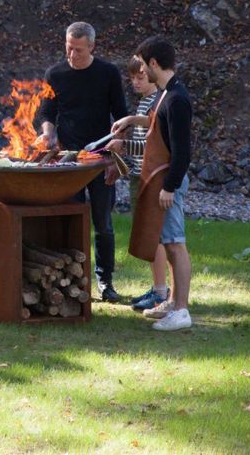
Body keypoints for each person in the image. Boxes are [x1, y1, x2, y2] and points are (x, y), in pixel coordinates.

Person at [36, 21, 128, 302]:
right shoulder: (55, 74)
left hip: (99, 158)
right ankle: (73, 280)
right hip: (68, 160)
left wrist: (114, 157)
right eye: (68, 47)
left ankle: (105, 281)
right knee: (70, 220)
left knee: (103, 223)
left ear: (91, 46)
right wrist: (47, 130)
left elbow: (121, 117)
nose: (71, 54)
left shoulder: (108, 73)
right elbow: (43, 112)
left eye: (77, 49)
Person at [106, 36, 193, 331]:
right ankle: (172, 302)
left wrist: (170, 186)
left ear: (154, 63)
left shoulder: (178, 98)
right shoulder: (168, 94)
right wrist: (131, 120)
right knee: (168, 244)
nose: (142, 70)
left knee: (175, 244)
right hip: (163, 180)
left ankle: (181, 310)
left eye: (144, 65)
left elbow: (183, 151)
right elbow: (156, 122)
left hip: (169, 181)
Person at [107, 56, 171, 312]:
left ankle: (161, 291)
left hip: (151, 176)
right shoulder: (144, 102)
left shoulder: (156, 102)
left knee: (155, 235)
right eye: (132, 77)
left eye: (140, 77)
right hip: (138, 175)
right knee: (148, 235)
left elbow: (153, 147)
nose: (135, 82)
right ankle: (158, 287)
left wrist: (124, 146)